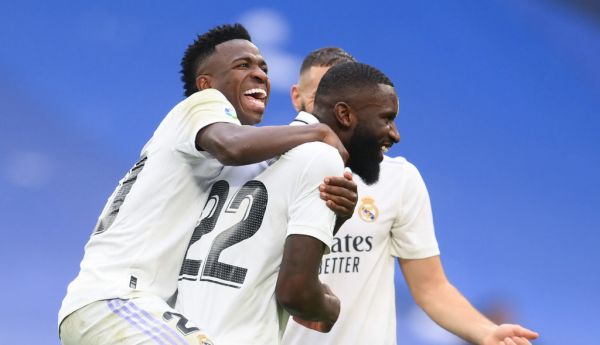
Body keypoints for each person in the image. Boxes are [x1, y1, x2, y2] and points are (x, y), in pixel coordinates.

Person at [57, 24, 356, 345]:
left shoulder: (211, 154)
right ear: (206, 84)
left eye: (263, 68)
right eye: (243, 65)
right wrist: (319, 132)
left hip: (132, 310)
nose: (260, 74)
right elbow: (233, 146)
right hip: (117, 299)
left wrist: (333, 209)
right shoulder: (202, 106)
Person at [282, 48, 540, 345]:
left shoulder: (398, 179)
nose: (336, 114)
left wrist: (484, 331)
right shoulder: (270, 169)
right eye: (319, 98)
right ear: (296, 98)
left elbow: (431, 288)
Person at [175, 61, 400, 345]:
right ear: (344, 114)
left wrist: (336, 220)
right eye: (387, 118)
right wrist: (330, 307)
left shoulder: (251, 151)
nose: (395, 134)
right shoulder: (321, 157)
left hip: (173, 333)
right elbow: (296, 293)